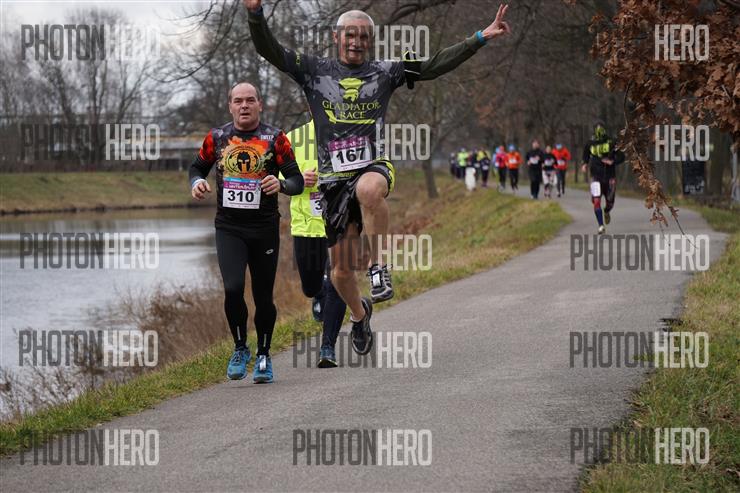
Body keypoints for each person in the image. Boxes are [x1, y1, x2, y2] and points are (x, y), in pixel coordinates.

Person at [246, 0, 512, 353]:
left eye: (363, 37)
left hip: (372, 165)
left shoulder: (385, 71)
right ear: (337, 37)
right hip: (333, 181)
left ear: (370, 41)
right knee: (340, 273)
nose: (356, 42)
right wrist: (255, 15)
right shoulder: (314, 70)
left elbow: (434, 65)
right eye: (350, 35)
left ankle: (379, 267)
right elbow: (271, 51)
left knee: (370, 190)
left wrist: (479, 38)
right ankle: (360, 316)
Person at [190, 82, 304, 383]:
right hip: (229, 227)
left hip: (264, 228)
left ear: (259, 105)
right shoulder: (217, 137)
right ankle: (240, 348)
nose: (244, 105)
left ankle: (264, 354)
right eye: (238, 101)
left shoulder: (275, 139)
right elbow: (196, 168)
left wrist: (281, 184)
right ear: (230, 106)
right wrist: (197, 183)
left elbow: (296, 181)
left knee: (263, 296)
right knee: (232, 288)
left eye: (250, 100)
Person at [285, 120, 348, 367]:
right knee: (310, 287)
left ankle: (327, 348)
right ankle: (319, 293)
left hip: (340, 222)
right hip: (306, 226)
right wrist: (299, 179)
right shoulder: (293, 137)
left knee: (338, 281)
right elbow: (278, 178)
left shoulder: (348, 132)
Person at [581, 122, 625, 234]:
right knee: (596, 200)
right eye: (597, 129)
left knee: (610, 202)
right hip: (595, 175)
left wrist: (612, 161)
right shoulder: (590, 143)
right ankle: (601, 225)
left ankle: (606, 211)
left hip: (610, 176)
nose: (599, 131)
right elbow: (585, 155)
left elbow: (622, 156)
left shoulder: (612, 142)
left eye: (601, 128)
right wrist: (584, 164)